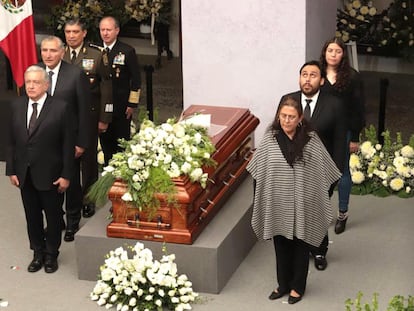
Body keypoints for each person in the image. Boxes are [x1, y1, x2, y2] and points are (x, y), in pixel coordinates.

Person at [246, 96, 341, 304]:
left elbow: (326, 171)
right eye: (283, 116)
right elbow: (258, 172)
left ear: (300, 119)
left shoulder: (311, 139)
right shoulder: (270, 138)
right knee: (280, 245)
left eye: (291, 117)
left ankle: (298, 287)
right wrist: (260, 201)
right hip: (277, 203)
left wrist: (318, 198)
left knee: (301, 245)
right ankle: (283, 284)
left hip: (304, 204)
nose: (286, 120)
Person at [5, 65, 75, 273]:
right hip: (25, 174)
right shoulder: (16, 106)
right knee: (32, 217)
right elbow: (10, 141)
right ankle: (38, 252)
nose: (32, 86)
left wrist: (66, 175)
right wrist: (12, 170)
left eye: (36, 82)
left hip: (51, 175)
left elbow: (67, 145)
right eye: (28, 82)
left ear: (46, 85)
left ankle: (52, 254)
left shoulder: (61, 107)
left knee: (53, 218)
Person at [280, 60, 347, 270]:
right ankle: (295, 249)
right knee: (293, 210)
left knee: (316, 211)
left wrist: (335, 172)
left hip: (321, 171)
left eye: (313, 75)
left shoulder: (334, 104)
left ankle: (319, 251)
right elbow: (279, 133)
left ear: (322, 80)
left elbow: (339, 141)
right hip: (291, 170)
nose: (307, 79)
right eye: (304, 74)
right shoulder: (287, 100)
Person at [40, 36, 91, 242]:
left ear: (62, 52)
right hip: (44, 142)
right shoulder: (34, 72)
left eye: (53, 51)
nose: (48, 55)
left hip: (69, 140)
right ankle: (56, 219)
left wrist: (81, 142)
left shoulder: (75, 74)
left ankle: (72, 221)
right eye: (44, 50)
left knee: (70, 182)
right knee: (47, 181)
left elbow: (84, 111)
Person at [63, 18, 110, 218]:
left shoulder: (96, 54)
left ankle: (89, 199)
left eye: (75, 32)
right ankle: (71, 200)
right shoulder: (58, 53)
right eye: (68, 32)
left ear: (83, 33)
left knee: (88, 161)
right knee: (67, 159)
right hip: (64, 117)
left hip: (89, 116)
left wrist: (104, 117)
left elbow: (106, 87)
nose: (71, 36)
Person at [320, 37, 366, 234]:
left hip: (343, 130)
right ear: (324, 52)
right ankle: (320, 212)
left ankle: (342, 214)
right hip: (321, 131)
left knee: (342, 171)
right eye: (330, 50)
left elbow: (358, 108)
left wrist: (355, 136)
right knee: (320, 172)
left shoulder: (352, 77)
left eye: (337, 51)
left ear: (343, 55)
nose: (333, 54)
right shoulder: (318, 73)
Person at [98, 16, 142, 165]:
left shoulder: (127, 51)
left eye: (108, 30)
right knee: (105, 144)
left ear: (117, 30)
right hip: (102, 106)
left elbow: (136, 80)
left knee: (122, 144)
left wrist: (132, 104)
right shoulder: (94, 49)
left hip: (121, 105)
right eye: (102, 30)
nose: (105, 33)